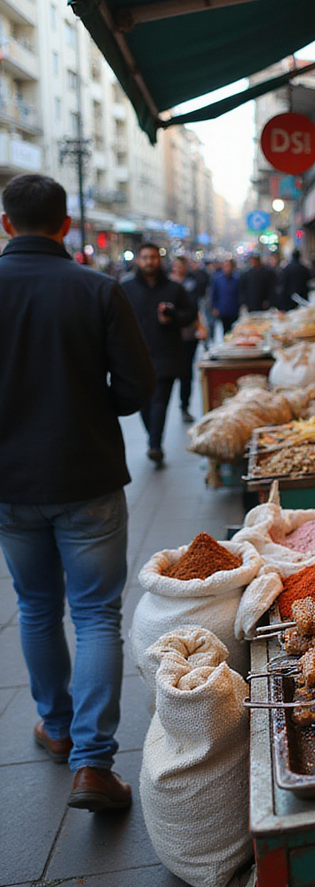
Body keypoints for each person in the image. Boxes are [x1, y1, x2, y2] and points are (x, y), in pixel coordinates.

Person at [0, 174, 155, 812]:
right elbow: (139, 385)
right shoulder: (99, 289)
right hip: (87, 474)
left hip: (11, 483)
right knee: (96, 615)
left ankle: (56, 727)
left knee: (36, 607)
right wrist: (94, 404)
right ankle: (94, 764)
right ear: (66, 225)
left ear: (6, 223)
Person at [123, 243, 196, 466]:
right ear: (138, 260)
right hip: (136, 355)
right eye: (145, 257)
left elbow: (189, 314)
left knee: (160, 400)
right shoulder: (126, 288)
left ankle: (155, 444)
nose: (149, 261)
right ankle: (153, 437)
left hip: (166, 353)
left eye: (153, 257)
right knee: (144, 403)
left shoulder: (174, 289)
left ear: (160, 259)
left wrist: (173, 316)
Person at [169, 255, 207, 423]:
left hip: (188, 334)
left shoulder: (192, 284)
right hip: (169, 335)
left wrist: (200, 326)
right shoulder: (167, 285)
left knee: (186, 372)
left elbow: (195, 307)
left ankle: (184, 406)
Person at [210, 257, 241, 335]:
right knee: (225, 330)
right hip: (223, 309)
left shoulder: (237, 279)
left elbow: (240, 294)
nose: (227, 268)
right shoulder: (218, 279)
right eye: (225, 266)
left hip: (234, 309)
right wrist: (215, 307)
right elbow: (214, 294)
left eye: (229, 266)